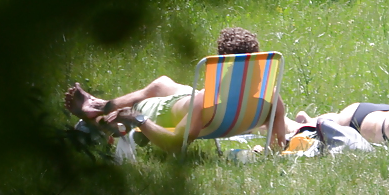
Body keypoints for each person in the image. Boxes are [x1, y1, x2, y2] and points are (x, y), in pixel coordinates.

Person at [64, 27, 293, 154]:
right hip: (193, 101)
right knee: (161, 84)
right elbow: (277, 143)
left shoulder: (204, 102)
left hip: (166, 110)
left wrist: (137, 118)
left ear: (223, 63)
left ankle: (98, 120)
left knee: (144, 99)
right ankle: (99, 105)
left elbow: (175, 145)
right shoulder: (272, 96)